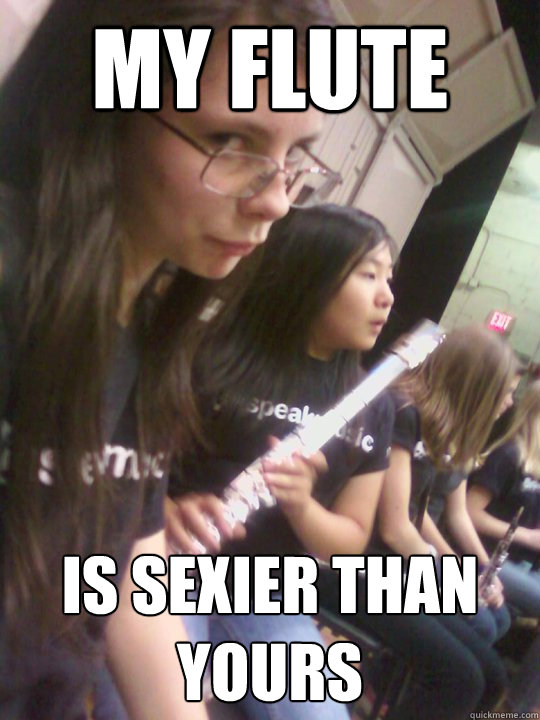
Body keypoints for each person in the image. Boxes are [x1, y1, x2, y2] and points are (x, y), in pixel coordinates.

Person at [0, 1, 337, 718]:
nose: (277, 200)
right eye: (229, 139)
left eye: (293, 156)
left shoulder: (149, 319)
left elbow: (129, 568)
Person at [165, 204, 396, 720]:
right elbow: (124, 466)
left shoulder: (373, 405)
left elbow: (348, 543)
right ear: (309, 275)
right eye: (369, 275)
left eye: (389, 278)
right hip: (170, 571)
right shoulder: (210, 356)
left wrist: (301, 506)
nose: (387, 296)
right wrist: (165, 509)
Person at [319, 324, 518, 720]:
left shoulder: (425, 419)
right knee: (462, 678)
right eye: (505, 391)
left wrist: (465, 574)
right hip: (348, 565)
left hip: (385, 564)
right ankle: (378, 686)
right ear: (476, 385)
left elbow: (412, 515)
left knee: (491, 677)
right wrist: (455, 581)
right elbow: (395, 527)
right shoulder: (403, 412)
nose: (510, 402)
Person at [467, 380, 540, 714]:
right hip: (488, 558)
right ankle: (515, 709)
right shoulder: (508, 455)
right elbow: (470, 513)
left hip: (523, 567)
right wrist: (526, 536)